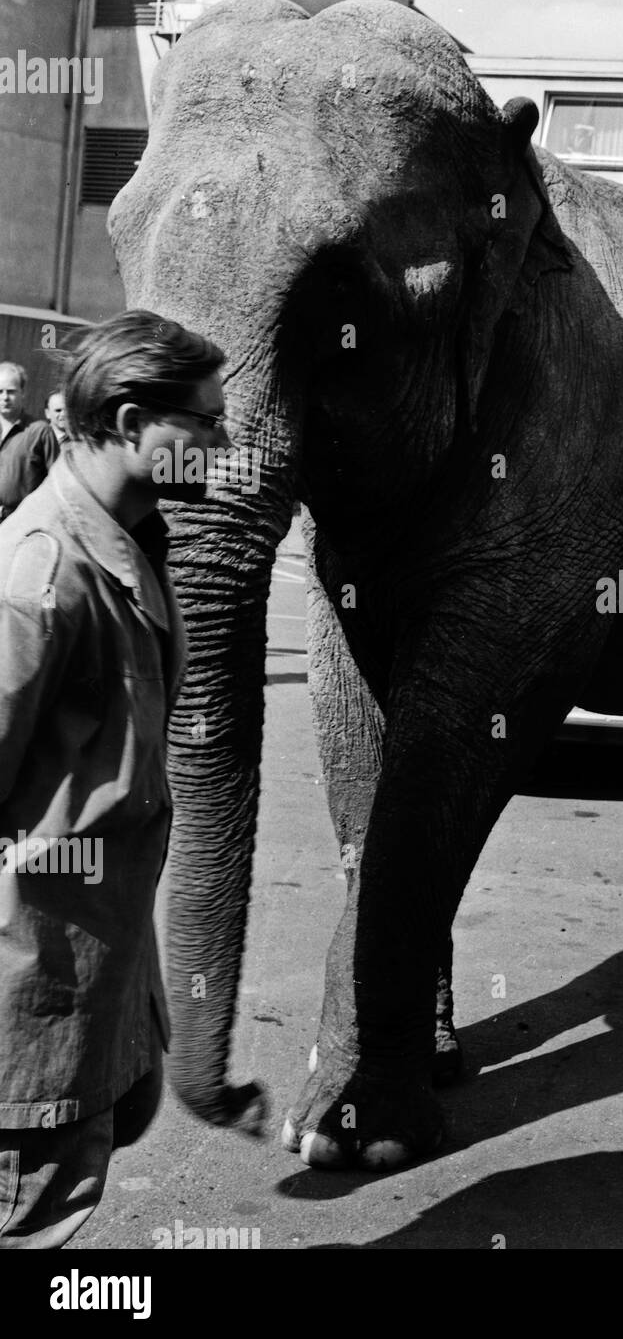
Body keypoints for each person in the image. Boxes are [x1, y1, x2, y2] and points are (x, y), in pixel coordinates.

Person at [0, 310, 230, 1248]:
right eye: (206, 421)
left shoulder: (134, 546)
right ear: (134, 423)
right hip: (30, 984)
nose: (223, 444)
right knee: (32, 1220)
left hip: (100, 964)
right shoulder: (43, 573)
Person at [0, 361, 60, 521]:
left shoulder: (40, 431)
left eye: (11, 392)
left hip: (23, 523)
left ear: (23, 393)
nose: (5, 397)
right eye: (0, 391)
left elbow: (57, 483)